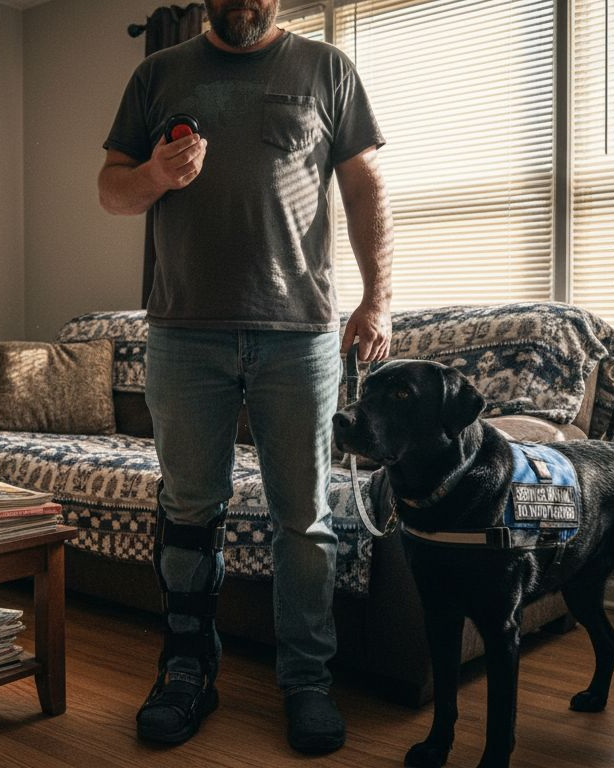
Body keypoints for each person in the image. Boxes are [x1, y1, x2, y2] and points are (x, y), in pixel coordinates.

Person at [97, 0, 393, 755]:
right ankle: (188, 670)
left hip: (299, 337)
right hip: (183, 335)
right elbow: (110, 190)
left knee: (306, 520)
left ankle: (306, 682)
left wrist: (378, 300)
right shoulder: (158, 74)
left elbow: (364, 190)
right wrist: (156, 175)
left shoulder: (327, 69)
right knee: (189, 510)